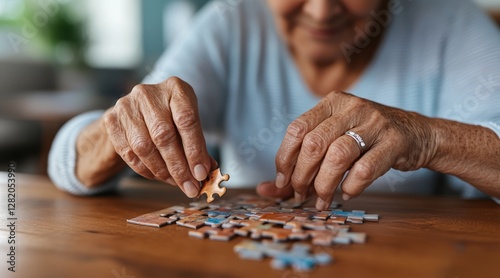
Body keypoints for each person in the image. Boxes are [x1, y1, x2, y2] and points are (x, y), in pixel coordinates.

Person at [48, 0, 500, 210]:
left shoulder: (455, 24)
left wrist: (426, 137)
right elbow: (70, 160)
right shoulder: (229, 22)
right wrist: (119, 134)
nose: (322, 12)